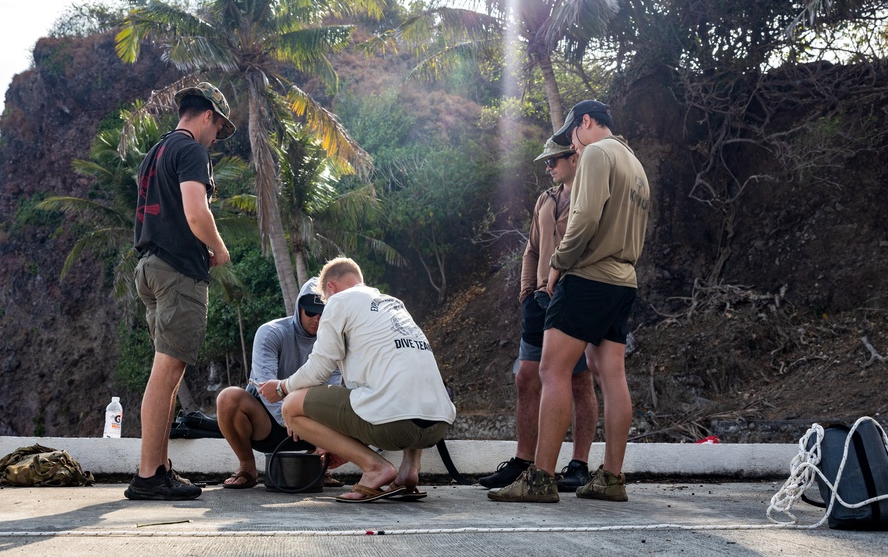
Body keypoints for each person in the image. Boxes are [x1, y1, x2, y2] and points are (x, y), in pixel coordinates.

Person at [490, 99, 650, 503]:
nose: (573, 145)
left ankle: (540, 478)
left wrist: (557, 267)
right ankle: (612, 478)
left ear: (587, 122)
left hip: (588, 278)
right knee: (610, 373)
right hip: (624, 280)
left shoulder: (597, 153)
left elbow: (585, 218)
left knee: (552, 370)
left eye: (573, 135)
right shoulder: (636, 166)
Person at [264, 257, 457, 502]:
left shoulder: (339, 301)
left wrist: (282, 387)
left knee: (291, 407)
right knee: (406, 376)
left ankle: (375, 467)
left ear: (330, 288)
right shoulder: (394, 304)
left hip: (395, 425)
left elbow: (319, 370)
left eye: (323, 300)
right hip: (437, 425)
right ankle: (409, 470)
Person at [124, 82, 236, 501]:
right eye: (218, 127)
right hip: (176, 271)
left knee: (165, 375)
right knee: (166, 374)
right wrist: (219, 248)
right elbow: (195, 210)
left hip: (150, 267)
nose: (215, 137)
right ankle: (150, 475)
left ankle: (159, 468)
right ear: (207, 114)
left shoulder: (155, 153)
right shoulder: (191, 149)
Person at [480, 139, 599, 493]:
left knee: (578, 380)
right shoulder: (546, 199)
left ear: (574, 158)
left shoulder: (590, 195)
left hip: (574, 295)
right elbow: (531, 249)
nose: (548, 167)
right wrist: (526, 291)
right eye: (545, 162)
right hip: (539, 300)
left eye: (553, 160)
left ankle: (578, 465)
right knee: (525, 377)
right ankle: (523, 462)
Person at [216, 279, 342, 489]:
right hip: (267, 422)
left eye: (323, 312)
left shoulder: (335, 342)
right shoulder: (271, 332)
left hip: (311, 424)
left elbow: (330, 393)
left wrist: (311, 429)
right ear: (299, 307)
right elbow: (265, 388)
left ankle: (318, 465)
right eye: (310, 311)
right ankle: (247, 467)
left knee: (346, 401)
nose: (317, 318)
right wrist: (290, 421)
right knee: (228, 398)